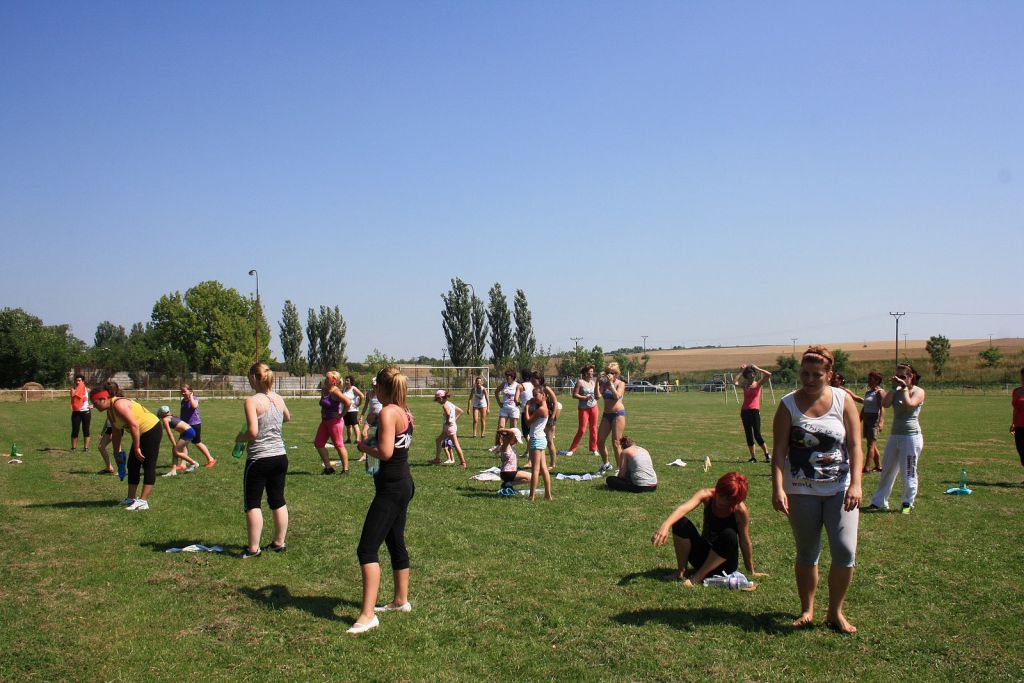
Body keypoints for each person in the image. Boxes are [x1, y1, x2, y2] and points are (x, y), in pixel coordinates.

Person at [771, 345, 863, 634]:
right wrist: (778, 487)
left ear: (829, 375)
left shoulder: (843, 400)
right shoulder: (788, 404)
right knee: (807, 552)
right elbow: (779, 450)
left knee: (845, 551)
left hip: (841, 489)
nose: (809, 379)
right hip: (801, 489)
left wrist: (857, 483)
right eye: (805, 373)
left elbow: (855, 445)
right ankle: (807, 609)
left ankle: (835, 612)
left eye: (817, 374)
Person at [350, 367, 416, 634]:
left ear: (380, 387)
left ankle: (368, 615)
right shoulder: (404, 411)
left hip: (391, 489)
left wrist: (364, 447)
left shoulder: (389, 412)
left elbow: (386, 452)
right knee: (394, 541)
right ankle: (400, 600)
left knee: (366, 549)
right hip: (402, 483)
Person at [652, 472, 765, 584]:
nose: (721, 500)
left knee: (729, 534)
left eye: (727, 499)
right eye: (720, 494)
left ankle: (697, 577)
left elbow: (744, 541)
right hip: (702, 557)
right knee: (679, 522)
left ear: (735, 500)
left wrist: (751, 570)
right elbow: (683, 509)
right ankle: (681, 571)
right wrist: (666, 525)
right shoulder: (707, 495)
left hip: (724, 565)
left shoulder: (740, 510)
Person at [236, 363, 291, 558]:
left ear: (253, 378)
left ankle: (253, 549)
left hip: (259, 458)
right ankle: (279, 542)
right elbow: (287, 417)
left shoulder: (251, 401)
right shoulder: (278, 398)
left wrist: (240, 437)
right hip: (280, 457)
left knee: (253, 503)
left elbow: (252, 432)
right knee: (277, 500)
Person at [90, 381, 164, 511]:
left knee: (148, 464)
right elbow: (116, 432)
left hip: (151, 429)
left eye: (95, 403)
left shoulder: (118, 404)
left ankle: (143, 501)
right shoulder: (110, 411)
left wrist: (137, 447)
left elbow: (134, 425)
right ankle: (131, 498)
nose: (94, 406)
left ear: (103, 399)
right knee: (132, 464)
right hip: (141, 432)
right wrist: (116, 452)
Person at [867, 363, 926, 514]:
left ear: (911, 376)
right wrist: (894, 388)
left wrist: (904, 388)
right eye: (897, 376)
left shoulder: (918, 391)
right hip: (895, 435)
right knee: (887, 470)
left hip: (911, 437)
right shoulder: (897, 390)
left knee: (909, 471)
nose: (899, 379)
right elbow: (885, 404)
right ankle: (879, 502)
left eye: (903, 376)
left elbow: (909, 404)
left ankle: (907, 504)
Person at [734, 364, 772, 463]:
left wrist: (758, 368)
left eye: (753, 373)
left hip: (754, 411)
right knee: (749, 435)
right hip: (745, 412)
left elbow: (769, 374)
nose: (752, 374)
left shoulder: (758, 384)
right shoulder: (745, 385)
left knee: (757, 435)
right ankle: (753, 457)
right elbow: (735, 382)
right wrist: (741, 371)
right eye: (750, 373)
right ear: (747, 375)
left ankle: (767, 455)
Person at [315, 371, 351, 475]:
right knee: (318, 443)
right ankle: (328, 468)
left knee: (338, 445)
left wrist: (341, 415)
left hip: (335, 422)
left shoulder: (335, 392)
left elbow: (348, 403)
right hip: (325, 422)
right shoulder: (324, 389)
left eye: (328, 378)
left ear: (334, 381)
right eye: (325, 378)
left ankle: (345, 469)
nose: (325, 380)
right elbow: (323, 404)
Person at [523, 387, 553, 501]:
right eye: (533, 395)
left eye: (536, 395)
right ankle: (548, 495)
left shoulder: (541, 409)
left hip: (536, 438)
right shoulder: (544, 408)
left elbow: (528, 422)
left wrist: (526, 407)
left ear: (543, 395)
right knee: (544, 468)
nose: (534, 397)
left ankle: (532, 496)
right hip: (541, 438)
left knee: (535, 469)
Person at [596, 362, 626, 474]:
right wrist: (597, 382)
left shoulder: (621, 383)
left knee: (616, 443)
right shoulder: (603, 384)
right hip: (606, 414)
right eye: (607, 372)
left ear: (617, 374)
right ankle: (606, 464)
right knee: (599, 441)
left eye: (612, 373)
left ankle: (620, 468)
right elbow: (597, 396)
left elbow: (617, 396)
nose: (609, 374)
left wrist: (611, 385)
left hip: (618, 414)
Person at [564, 365, 599, 458]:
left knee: (594, 428)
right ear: (585, 373)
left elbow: (597, 394)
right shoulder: (580, 382)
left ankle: (594, 449)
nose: (592, 373)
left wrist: (597, 396)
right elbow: (574, 395)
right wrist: (585, 397)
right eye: (590, 372)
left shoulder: (593, 382)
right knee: (582, 429)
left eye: (592, 372)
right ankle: (572, 449)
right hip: (583, 408)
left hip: (594, 407)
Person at [156, 406, 202, 476]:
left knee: (176, 451)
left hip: (188, 433)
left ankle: (193, 463)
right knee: (174, 451)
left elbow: (169, 433)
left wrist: (174, 443)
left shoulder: (165, 419)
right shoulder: (172, 416)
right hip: (189, 431)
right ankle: (173, 471)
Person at [179, 384, 216, 468]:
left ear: (190, 391)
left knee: (197, 443)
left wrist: (191, 397)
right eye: (181, 391)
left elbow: (194, 406)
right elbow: (183, 413)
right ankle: (183, 464)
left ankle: (211, 459)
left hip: (194, 425)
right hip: (185, 425)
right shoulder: (183, 401)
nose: (183, 393)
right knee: (183, 444)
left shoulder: (195, 398)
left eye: (184, 391)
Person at [532, 372, 562, 468]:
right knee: (542, 440)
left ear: (539, 379)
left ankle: (552, 464)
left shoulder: (546, 388)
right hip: (541, 417)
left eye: (534, 380)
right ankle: (542, 463)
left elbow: (555, 402)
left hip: (549, 417)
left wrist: (552, 417)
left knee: (549, 441)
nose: (532, 381)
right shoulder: (536, 390)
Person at [430, 390, 466, 468]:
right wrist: (454, 419)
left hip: (449, 428)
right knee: (438, 440)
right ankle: (437, 459)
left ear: (441, 398)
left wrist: (448, 420)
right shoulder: (450, 404)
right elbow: (461, 411)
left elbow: (448, 413)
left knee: (456, 445)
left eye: (437, 399)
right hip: (451, 426)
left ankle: (463, 463)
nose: (437, 401)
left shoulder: (445, 405)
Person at [858, 372, 886, 473]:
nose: (868, 381)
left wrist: (881, 422)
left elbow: (882, 407)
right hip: (867, 418)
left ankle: (866, 467)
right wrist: (859, 419)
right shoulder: (868, 392)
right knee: (871, 444)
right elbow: (865, 406)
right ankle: (878, 466)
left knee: (870, 445)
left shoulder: (879, 392)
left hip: (874, 419)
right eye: (868, 379)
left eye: (871, 379)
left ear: (877, 380)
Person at [490, 369, 521, 452]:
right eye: (506, 376)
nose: (507, 378)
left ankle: (512, 447)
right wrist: (499, 402)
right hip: (504, 409)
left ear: (512, 377)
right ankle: (498, 445)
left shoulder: (517, 385)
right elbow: (496, 392)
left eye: (508, 376)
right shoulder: (504, 384)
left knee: (513, 429)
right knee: (500, 427)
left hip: (514, 410)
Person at [495, 427, 531, 493]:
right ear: (511, 437)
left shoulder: (510, 446)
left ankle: (508, 484)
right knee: (531, 477)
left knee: (531, 477)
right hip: (507, 472)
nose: (516, 442)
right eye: (516, 439)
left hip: (508, 472)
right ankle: (508, 484)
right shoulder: (506, 445)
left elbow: (511, 433)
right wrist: (503, 431)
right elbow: (511, 432)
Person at [70, 374, 91, 452]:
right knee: (75, 430)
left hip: (86, 411)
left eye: (79, 380)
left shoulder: (88, 390)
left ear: (83, 381)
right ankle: (73, 448)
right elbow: (73, 399)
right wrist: (74, 392)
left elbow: (94, 399)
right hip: (76, 412)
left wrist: (93, 405)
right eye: (76, 380)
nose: (77, 382)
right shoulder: (73, 389)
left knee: (86, 430)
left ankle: (86, 448)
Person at [342, 376, 365, 444]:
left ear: (351, 382)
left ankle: (357, 439)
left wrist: (358, 404)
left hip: (353, 410)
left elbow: (362, 396)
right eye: (346, 380)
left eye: (347, 380)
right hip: (345, 410)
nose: (346, 382)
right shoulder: (344, 389)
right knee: (348, 426)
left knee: (354, 424)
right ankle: (349, 439)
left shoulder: (353, 388)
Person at [1012, 368, 1024, 482]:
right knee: (1021, 451)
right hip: (1019, 426)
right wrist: (1013, 423)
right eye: (1022, 376)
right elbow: (1015, 409)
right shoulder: (1016, 391)